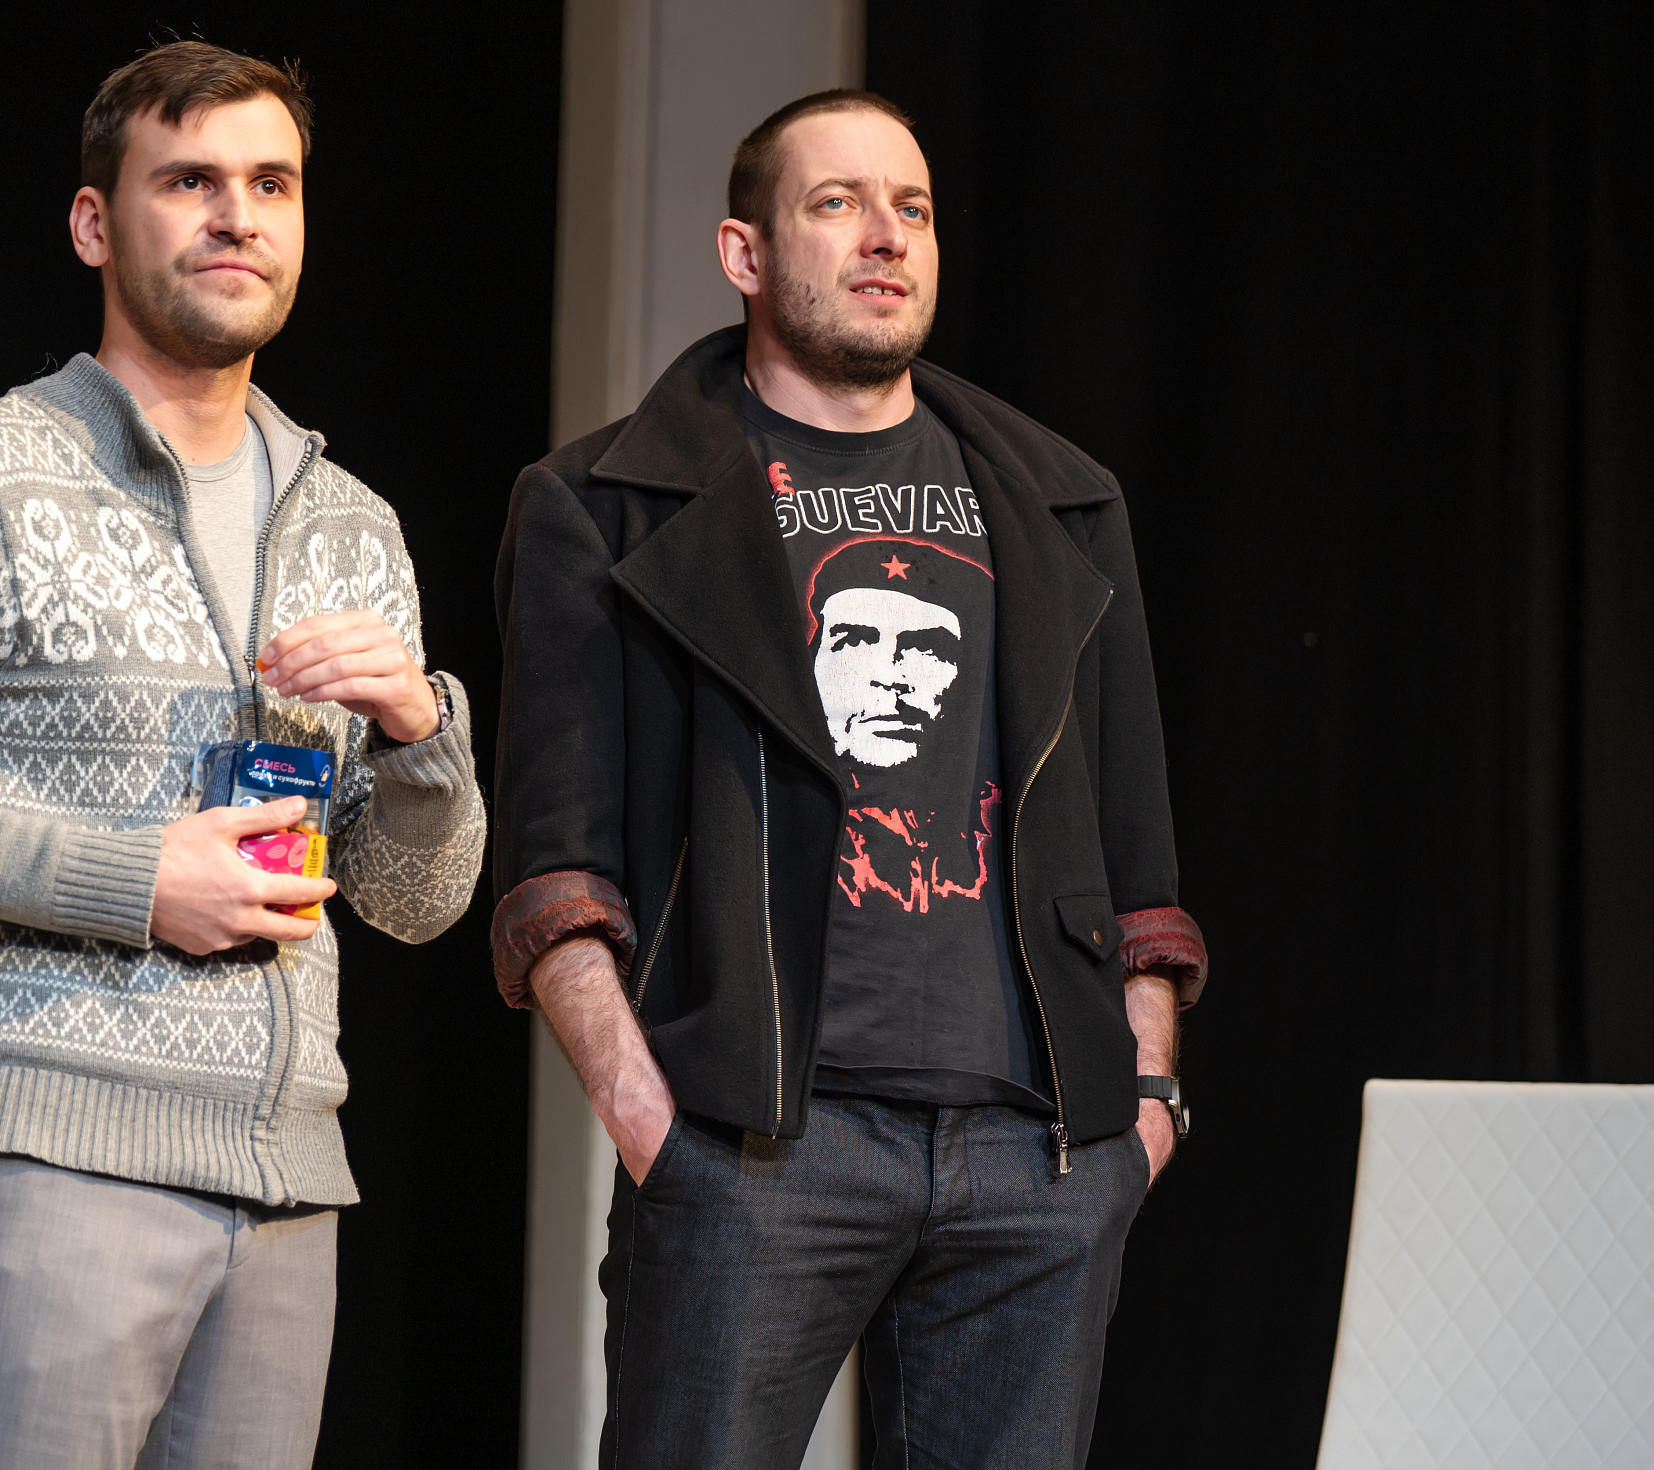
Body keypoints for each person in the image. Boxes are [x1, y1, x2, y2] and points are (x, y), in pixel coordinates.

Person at [0, 41, 484, 1470]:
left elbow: (413, 902)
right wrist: (131, 878)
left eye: (271, 184)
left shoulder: (354, 523)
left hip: (285, 1191)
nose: (237, 216)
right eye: (189, 181)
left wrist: (420, 736)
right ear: (96, 223)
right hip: (48, 1170)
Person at [492, 89, 1207, 1468]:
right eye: (838, 203)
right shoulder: (606, 504)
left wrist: (1146, 1101)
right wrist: (652, 1121)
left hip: (1040, 1154)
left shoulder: (1066, 502)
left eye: (912, 209)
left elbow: (1140, 855)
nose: (886, 236)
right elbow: (556, 865)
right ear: (745, 253)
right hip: (757, 1146)